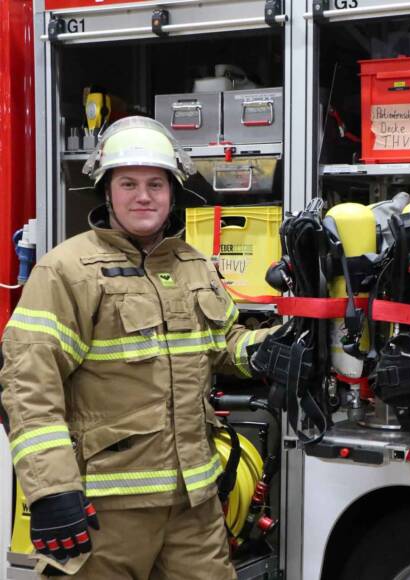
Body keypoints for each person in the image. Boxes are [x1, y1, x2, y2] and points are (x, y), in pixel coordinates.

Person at [0, 116, 274, 579]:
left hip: (196, 506)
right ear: (107, 192)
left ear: (173, 193)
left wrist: (267, 349)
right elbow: (29, 384)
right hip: (105, 511)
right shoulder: (66, 270)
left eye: (155, 183)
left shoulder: (194, 266)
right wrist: (52, 492)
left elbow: (223, 344)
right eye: (128, 183)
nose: (143, 196)